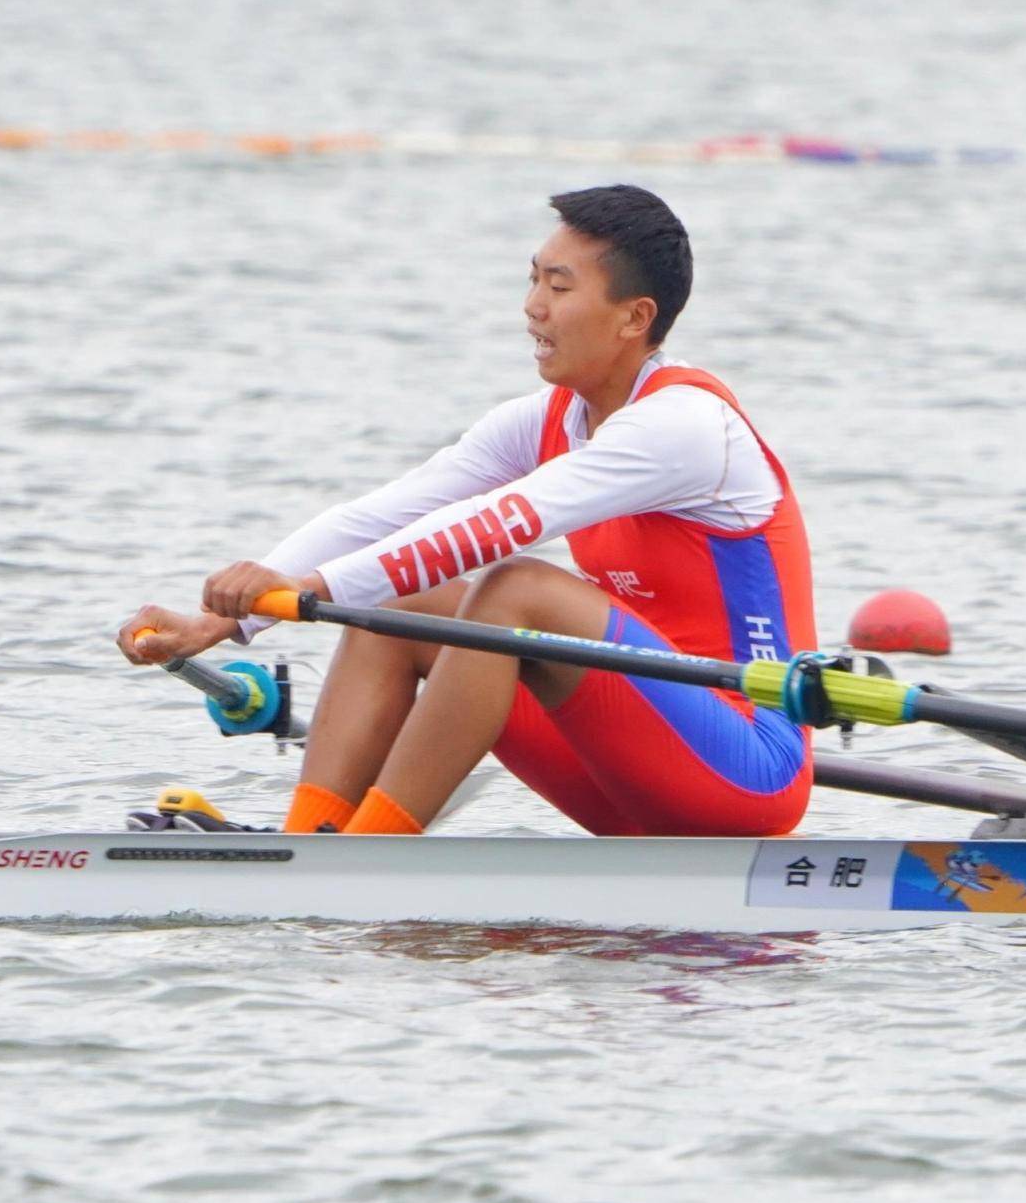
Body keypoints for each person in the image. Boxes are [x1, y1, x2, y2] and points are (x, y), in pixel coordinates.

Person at [115, 185, 816, 837]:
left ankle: (366, 857)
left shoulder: (685, 426)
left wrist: (312, 589)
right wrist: (223, 620)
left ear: (635, 318)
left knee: (514, 588)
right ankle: (306, 843)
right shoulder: (543, 420)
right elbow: (383, 517)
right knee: (400, 599)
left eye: (559, 287)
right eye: (533, 279)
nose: (533, 306)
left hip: (746, 769)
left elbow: (498, 525)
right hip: (626, 759)